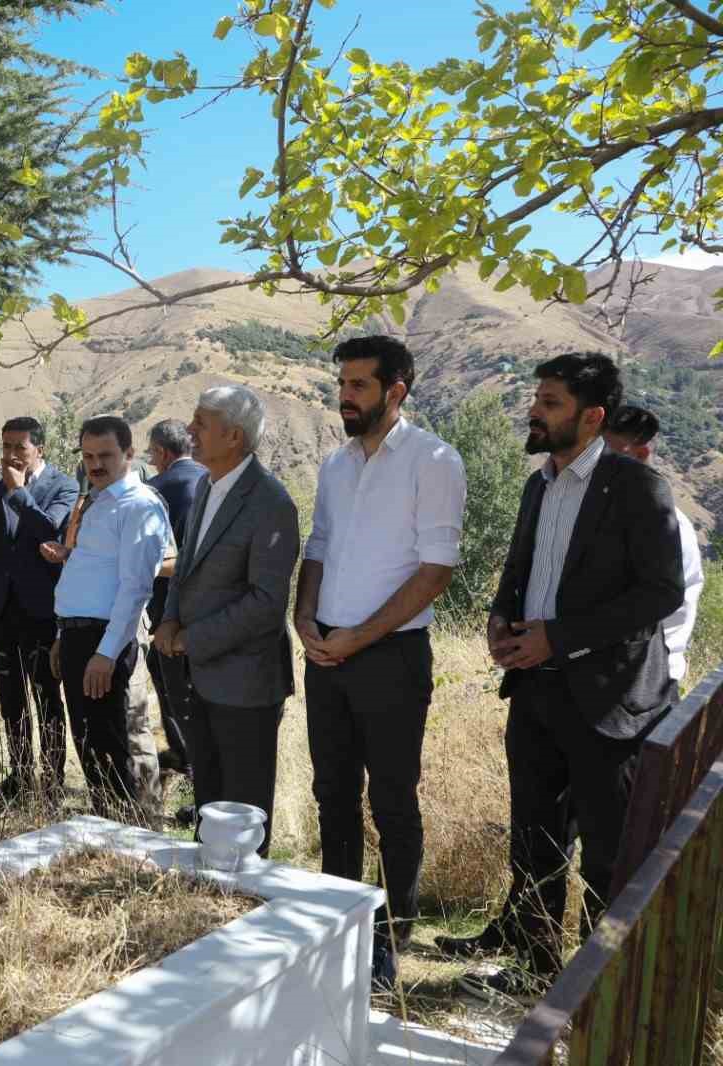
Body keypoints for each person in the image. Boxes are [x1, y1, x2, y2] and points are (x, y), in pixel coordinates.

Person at [436, 355, 684, 996]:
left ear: (591, 416)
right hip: (536, 691)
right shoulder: (537, 485)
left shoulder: (636, 488)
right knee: (536, 841)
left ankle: (599, 990)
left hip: (610, 701)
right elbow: (520, 571)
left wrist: (559, 638)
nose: (534, 411)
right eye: (537, 399)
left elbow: (660, 595)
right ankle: (534, 969)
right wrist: (500, 618)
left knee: (608, 856)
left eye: (549, 402)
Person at [294, 335, 467, 990]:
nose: (345, 395)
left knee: (392, 800)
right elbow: (319, 544)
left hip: (389, 655)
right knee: (331, 794)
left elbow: (435, 571)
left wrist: (359, 636)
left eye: (359, 385)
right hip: (326, 652)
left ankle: (390, 943)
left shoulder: (434, 460)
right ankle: (339, 925)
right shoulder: (336, 465)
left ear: (396, 391)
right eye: (342, 383)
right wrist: (303, 617)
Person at [153, 386, 298, 855]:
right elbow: (186, 565)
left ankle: (247, 909)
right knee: (208, 802)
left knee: (244, 811)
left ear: (233, 436)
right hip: (198, 673)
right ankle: (209, 902)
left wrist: (192, 638)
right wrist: (169, 622)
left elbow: (265, 602)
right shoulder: (205, 485)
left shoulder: (270, 502)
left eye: (201, 422)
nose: (190, 430)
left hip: (245, 680)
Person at [41, 416, 172, 815]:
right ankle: (108, 829)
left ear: (129, 454)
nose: (95, 464)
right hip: (80, 636)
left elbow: (135, 589)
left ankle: (131, 840)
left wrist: (106, 654)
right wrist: (65, 635)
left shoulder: (139, 505)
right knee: (90, 745)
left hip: (106, 641)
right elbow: (89, 574)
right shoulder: (99, 501)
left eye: (106, 456)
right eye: (88, 456)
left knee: (114, 751)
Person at [0, 416, 80, 801]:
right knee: (11, 698)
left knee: (47, 697)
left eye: (20, 447)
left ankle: (51, 783)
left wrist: (19, 492)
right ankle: (18, 778)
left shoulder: (64, 486)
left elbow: (51, 530)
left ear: (40, 449)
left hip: (43, 611)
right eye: (6, 447)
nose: (12, 455)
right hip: (2, 610)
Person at [602, 404, 706, 688]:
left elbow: (660, 614)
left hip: (644, 683)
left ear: (641, 454)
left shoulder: (668, 525)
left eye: (608, 457)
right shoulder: (614, 516)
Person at [143, 418, 207, 780]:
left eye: (152, 454)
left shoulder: (154, 491)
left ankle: (189, 766)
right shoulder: (214, 481)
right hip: (213, 609)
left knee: (175, 695)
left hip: (167, 610)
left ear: (164, 452)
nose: (153, 461)